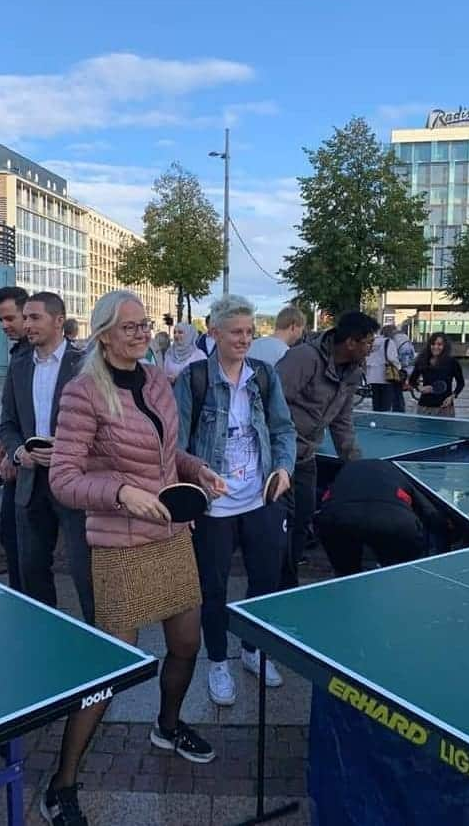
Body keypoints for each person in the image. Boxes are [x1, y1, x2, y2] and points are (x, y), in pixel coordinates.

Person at [44, 291, 226, 823]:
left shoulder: (156, 380)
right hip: (121, 549)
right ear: (103, 334)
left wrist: (197, 470)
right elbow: (64, 479)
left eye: (145, 325)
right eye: (130, 327)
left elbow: (167, 453)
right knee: (111, 670)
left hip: (172, 536)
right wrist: (122, 492)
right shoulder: (83, 393)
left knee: (187, 643)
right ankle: (63, 781)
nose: (142, 333)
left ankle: (167, 726)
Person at [174, 295, 296, 707]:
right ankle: (218, 661)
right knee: (213, 587)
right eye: (236, 332)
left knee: (265, 579)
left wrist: (284, 469)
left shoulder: (263, 375)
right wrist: (189, 493)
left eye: (249, 332)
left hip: (261, 495)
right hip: (213, 502)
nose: (244, 339)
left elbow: (283, 429)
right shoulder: (193, 379)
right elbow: (174, 446)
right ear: (215, 334)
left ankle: (252, 649)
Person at [0, 291, 95, 623]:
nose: (27, 324)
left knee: (86, 572)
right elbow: (8, 423)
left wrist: (69, 451)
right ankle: (46, 636)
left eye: (34, 317)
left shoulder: (84, 366)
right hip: (30, 483)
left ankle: (96, 644)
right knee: (32, 570)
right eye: (25, 318)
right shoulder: (19, 364)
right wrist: (17, 451)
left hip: (73, 484)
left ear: (58, 321)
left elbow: (103, 427)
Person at [276, 311, 379, 588]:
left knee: (302, 520)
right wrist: (279, 452)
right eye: (368, 343)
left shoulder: (353, 372)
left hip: (307, 457)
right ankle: (272, 587)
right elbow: (270, 402)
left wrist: (356, 465)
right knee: (277, 526)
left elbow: (342, 422)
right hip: (279, 458)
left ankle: (288, 583)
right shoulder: (304, 359)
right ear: (351, 343)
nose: (371, 349)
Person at [315, 460, 449, 574]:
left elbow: (323, 504)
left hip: (336, 519)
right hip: (394, 522)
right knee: (405, 571)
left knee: (346, 574)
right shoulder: (399, 474)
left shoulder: (344, 473)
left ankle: (347, 583)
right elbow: (430, 512)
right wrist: (445, 546)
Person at [0, 286, 31, 592]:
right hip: (17, 458)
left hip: (34, 465)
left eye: (9, 318)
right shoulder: (19, 353)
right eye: (0, 320)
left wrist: (16, 451)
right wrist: (8, 446)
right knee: (10, 535)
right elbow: (13, 411)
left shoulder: (36, 355)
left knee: (23, 542)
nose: (4, 325)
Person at [409, 332, 465, 417]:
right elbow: (412, 380)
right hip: (424, 407)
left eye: (439, 344)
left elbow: (461, 383)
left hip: (445, 408)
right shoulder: (422, 360)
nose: (435, 347)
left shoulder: (452, 362)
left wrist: (452, 397)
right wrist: (420, 388)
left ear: (445, 346)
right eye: (433, 344)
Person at [365, 327, 402, 412]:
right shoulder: (389, 342)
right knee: (385, 404)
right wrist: (399, 367)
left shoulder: (373, 341)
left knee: (376, 403)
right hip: (386, 377)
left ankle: (376, 420)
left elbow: (366, 357)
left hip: (372, 376)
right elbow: (392, 358)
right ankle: (383, 422)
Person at [391, 323, 416, 412]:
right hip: (408, 368)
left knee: (396, 391)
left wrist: (400, 368)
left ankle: (399, 410)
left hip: (401, 370)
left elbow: (401, 358)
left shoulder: (395, 339)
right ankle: (399, 409)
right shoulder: (405, 339)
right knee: (398, 392)